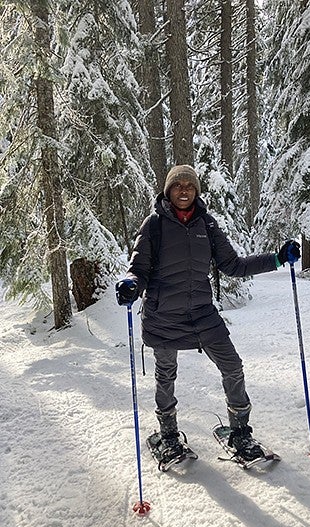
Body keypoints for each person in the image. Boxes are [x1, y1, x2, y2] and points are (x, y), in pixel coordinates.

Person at [116, 164, 300, 462]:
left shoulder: (208, 225)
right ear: (168, 191)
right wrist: (131, 286)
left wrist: (277, 258)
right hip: (163, 316)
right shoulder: (154, 225)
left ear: (197, 191)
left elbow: (234, 266)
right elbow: (139, 270)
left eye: (190, 185)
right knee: (165, 375)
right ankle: (168, 434)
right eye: (178, 185)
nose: (184, 190)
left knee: (233, 366)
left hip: (202, 314)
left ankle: (240, 431)